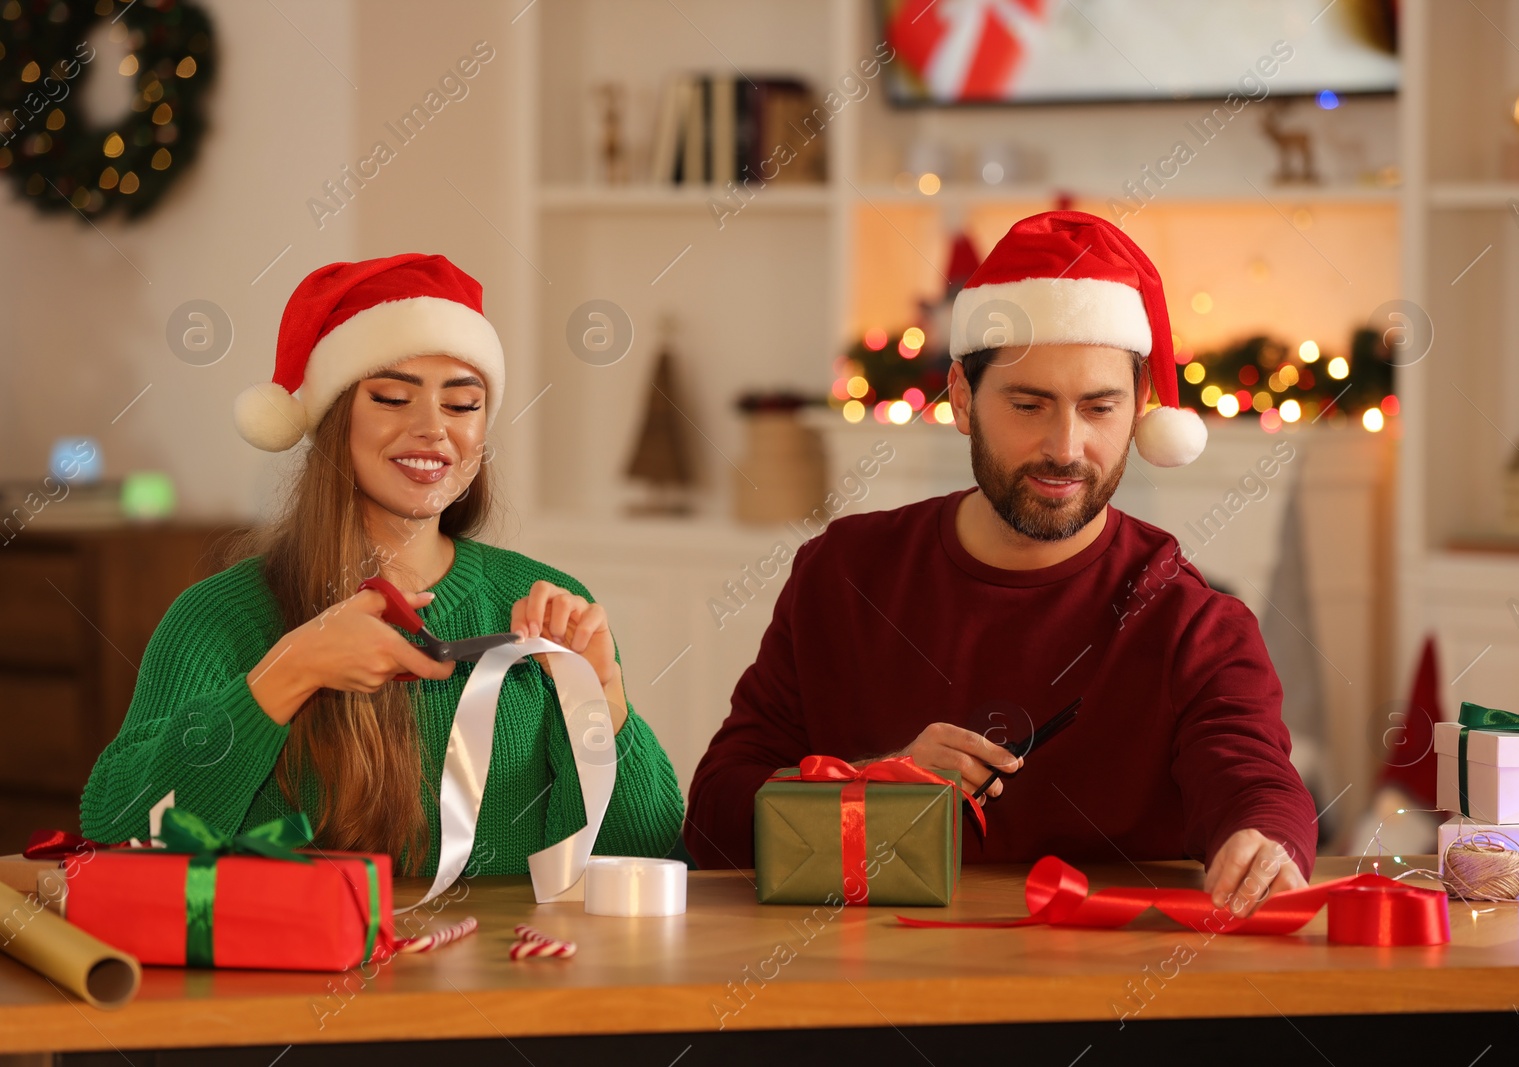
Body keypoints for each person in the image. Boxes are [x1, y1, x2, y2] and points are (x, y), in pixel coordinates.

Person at [685, 211, 1317, 915]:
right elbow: (714, 820)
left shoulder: (1192, 620)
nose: (1066, 447)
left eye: (1100, 407)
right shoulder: (843, 575)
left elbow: (1254, 781)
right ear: (961, 397)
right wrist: (867, 785)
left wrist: (1263, 842)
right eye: (1028, 404)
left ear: (1139, 409)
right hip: (862, 987)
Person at [79, 254, 683, 878]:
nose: (431, 429)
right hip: (298, 973)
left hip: (507, 972)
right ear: (332, 420)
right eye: (393, 398)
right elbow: (121, 832)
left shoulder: (541, 609)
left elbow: (650, 858)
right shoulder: (216, 619)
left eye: (462, 405)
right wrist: (289, 674)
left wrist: (603, 699)